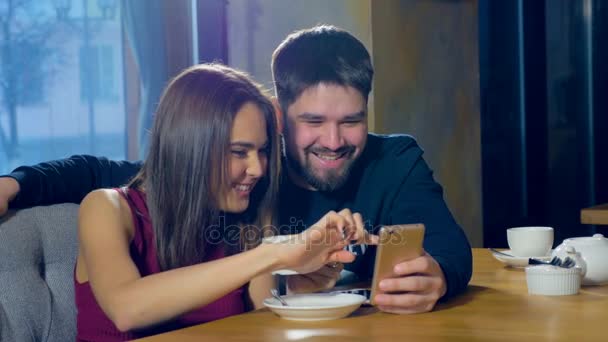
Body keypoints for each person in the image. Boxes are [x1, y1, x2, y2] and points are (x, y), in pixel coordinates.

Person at [0, 25, 472, 314]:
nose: (332, 140)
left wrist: (437, 275)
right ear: (280, 115)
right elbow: (104, 174)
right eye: (313, 122)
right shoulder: (236, 186)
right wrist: (15, 183)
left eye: (350, 122)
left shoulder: (257, 196)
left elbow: (450, 246)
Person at [25, 63, 373, 341]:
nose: (257, 169)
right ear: (190, 149)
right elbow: (126, 308)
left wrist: (305, 282)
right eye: (239, 152)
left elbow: (257, 326)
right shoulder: (107, 209)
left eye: (263, 151)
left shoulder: (244, 218)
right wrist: (276, 253)